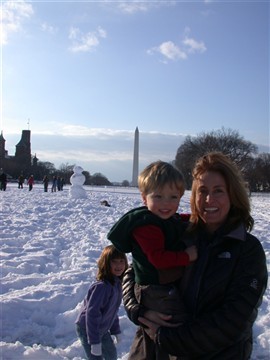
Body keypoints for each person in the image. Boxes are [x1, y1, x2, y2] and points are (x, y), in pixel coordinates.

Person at [122, 152, 268, 360]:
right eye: (202, 191)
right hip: (151, 349)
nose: (209, 199)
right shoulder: (179, 232)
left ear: (233, 195)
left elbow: (234, 321)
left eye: (218, 191)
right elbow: (134, 271)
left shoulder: (247, 250)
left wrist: (169, 336)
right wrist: (138, 311)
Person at [107, 161, 197, 359]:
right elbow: (159, 259)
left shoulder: (159, 218)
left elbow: (173, 220)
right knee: (175, 325)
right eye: (158, 197)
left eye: (173, 197)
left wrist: (191, 218)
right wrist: (186, 256)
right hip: (155, 289)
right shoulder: (148, 227)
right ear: (144, 197)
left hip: (158, 286)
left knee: (151, 338)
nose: (166, 204)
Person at [75, 245, 128, 360]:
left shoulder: (117, 283)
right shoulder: (102, 287)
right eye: (114, 262)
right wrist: (94, 342)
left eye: (121, 261)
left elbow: (112, 310)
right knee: (96, 357)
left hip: (102, 329)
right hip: (88, 329)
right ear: (106, 263)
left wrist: (115, 330)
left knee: (111, 355)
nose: (119, 265)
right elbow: (92, 314)